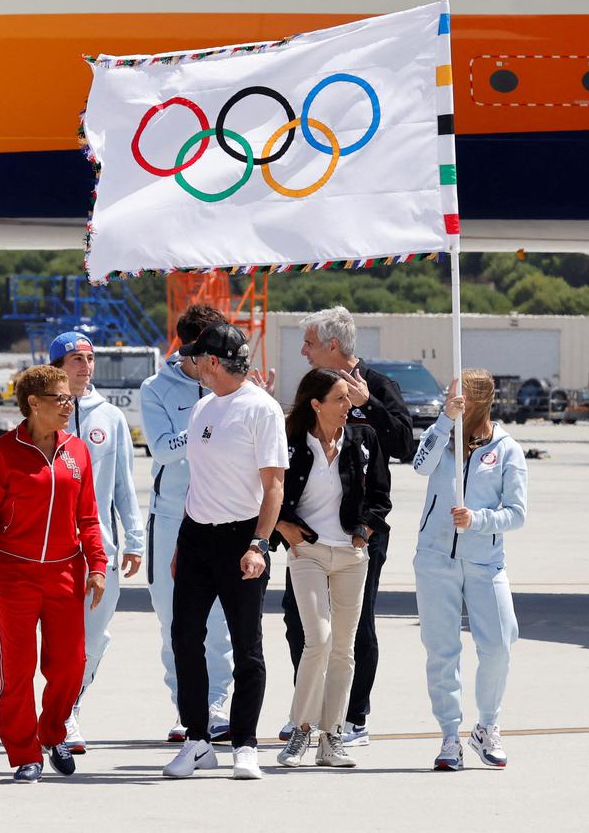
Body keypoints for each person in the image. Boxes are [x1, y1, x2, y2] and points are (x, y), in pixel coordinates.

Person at [278, 306, 415, 744]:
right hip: (310, 537)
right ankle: (310, 710)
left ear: (332, 346)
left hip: (360, 535)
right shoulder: (313, 390)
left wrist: (365, 405)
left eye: (310, 344)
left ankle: (352, 718)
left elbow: (405, 444)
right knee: (300, 624)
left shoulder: (378, 385)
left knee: (355, 629)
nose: (303, 351)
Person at [163, 323, 286, 781]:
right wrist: (182, 540)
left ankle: (245, 744)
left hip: (242, 540)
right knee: (185, 639)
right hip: (196, 537)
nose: (191, 364)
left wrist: (259, 544)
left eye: (196, 358)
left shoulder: (262, 409)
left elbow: (274, 485)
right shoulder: (201, 409)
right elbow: (199, 481)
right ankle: (197, 741)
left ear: (213, 362)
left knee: (246, 645)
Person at [0, 365, 107, 783]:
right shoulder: (3, 453)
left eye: (71, 399)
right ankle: (23, 751)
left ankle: (52, 732)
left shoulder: (78, 451)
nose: (69, 406)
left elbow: (88, 515)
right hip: (13, 575)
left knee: (71, 664)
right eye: (60, 400)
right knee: (16, 669)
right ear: (33, 403)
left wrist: (98, 565)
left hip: (66, 573)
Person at [273, 369, 391, 769]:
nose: (348, 406)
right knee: (318, 640)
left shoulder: (364, 439)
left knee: (344, 648)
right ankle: (301, 728)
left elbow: (380, 495)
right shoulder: (290, 443)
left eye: (349, 399)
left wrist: (364, 533)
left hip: (351, 556)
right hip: (306, 552)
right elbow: (267, 491)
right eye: (340, 399)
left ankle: (332, 736)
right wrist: (282, 527)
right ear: (316, 404)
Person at [412, 370, 527, 771]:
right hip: (435, 558)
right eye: (448, 393)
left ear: (480, 399)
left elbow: (517, 513)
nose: (449, 397)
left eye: (456, 394)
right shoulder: (441, 438)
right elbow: (419, 465)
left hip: (484, 561)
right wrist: (444, 421)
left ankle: (487, 726)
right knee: (441, 650)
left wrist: (476, 520)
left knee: (498, 643)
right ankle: (449, 735)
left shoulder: (507, 449)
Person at [139, 304, 235, 743]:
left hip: (222, 513)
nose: (220, 358)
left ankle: (215, 704)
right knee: (173, 618)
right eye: (212, 349)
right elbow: (162, 450)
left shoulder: (230, 382)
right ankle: (185, 705)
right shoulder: (155, 388)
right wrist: (203, 422)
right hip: (172, 515)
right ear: (192, 348)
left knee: (220, 620)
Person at [48, 331, 144, 753]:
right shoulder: (44, 415)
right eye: (75, 358)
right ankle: (58, 712)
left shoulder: (111, 418)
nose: (85, 365)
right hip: (50, 549)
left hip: (99, 549)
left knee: (92, 639)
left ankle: (69, 712)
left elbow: (124, 485)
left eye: (89, 358)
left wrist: (135, 540)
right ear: (57, 366)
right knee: (58, 642)